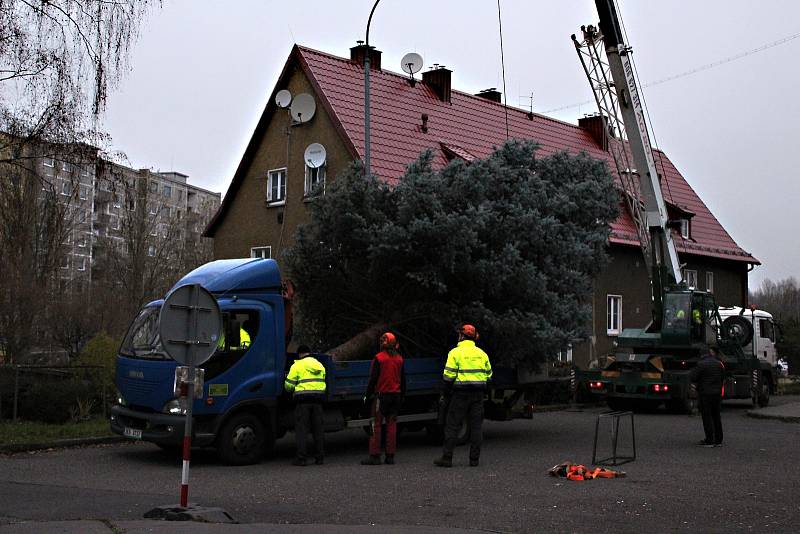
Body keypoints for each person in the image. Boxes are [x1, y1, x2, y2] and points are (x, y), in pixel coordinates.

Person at [434, 324, 492, 468]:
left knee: (452, 425)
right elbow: (489, 376)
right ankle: (474, 460)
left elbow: (448, 376)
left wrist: (446, 393)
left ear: (462, 336)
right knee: (476, 427)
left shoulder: (455, 353)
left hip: (460, 394)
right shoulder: (482, 354)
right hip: (478, 395)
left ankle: (447, 458)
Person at [361, 332, 406, 465]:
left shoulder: (379, 358)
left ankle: (375, 456)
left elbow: (373, 379)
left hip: (381, 397)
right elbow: (403, 380)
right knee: (392, 426)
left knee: (376, 425)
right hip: (396, 396)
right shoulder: (399, 359)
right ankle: (390, 456)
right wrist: (403, 396)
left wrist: (367, 395)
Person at [284, 345, 326, 466]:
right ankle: (320, 458)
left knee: (302, 431)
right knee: (318, 430)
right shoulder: (319, 365)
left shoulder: (297, 365)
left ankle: (301, 458)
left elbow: (289, 386)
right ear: (309, 353)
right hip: (318, 401)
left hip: (303, 402)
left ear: (299, 354)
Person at [690, 345, 725, 447]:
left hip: (705, 394)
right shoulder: (719, 364)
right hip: (717, 394)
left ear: (702, 355)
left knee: (707, 417)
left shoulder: (701, 364)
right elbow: (723, 377)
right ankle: (718, 440)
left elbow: (693, 377)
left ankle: (709, 439)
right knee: (716, 416)